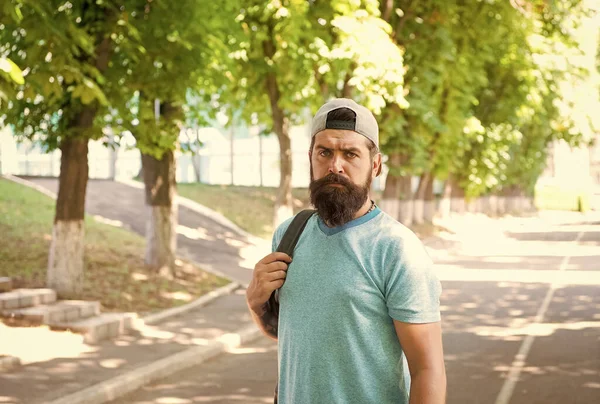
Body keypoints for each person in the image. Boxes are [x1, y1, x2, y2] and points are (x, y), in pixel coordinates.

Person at [246, 98, 446, 404]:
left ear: (375, 165)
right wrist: (255, 302)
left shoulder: (396, 249)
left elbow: (427, 369)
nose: (334, 166)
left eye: (350, 154)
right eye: (324, 152)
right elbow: (293, 335)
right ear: (310, 158)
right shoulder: (289, 235)